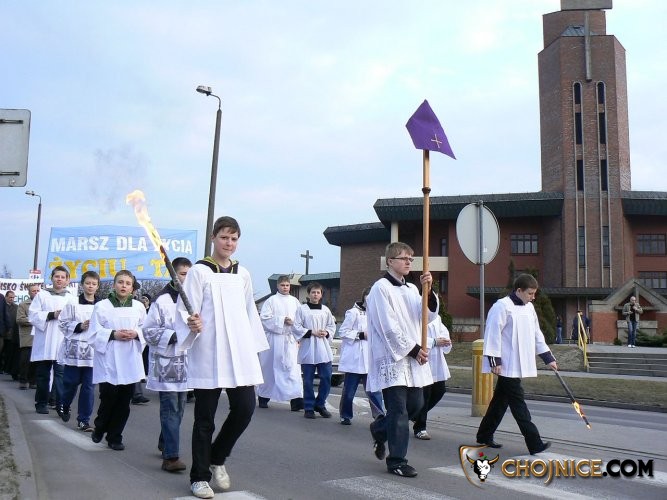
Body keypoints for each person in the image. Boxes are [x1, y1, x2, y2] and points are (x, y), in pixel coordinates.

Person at [173, 216, 268, 499]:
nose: (229, 243)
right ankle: (199, 478)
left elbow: (249, 312)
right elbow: (186, 310)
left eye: (234, 238)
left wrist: (253, 349)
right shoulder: (199, 272)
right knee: (205, 418)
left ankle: (217, 456)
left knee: (245, 408)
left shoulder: (243, 274)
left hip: (239, 351)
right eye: (224, 237)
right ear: (213, 237)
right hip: (209, 352)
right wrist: (190, 322)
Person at [366, 242, 438, 478]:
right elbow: (387, 326)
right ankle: (397, 461)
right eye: (403, 258)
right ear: (390, 261)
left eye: (411, 258)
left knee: (415, 406)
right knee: (398, 411)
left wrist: (428, 292)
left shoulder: (411, 289)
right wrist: (413, 349)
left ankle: (379, 429)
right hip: (393, 358)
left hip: (412, 358)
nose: (408, 262)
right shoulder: (380, 289)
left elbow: (425, 317)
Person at [476, 273, 557, 455]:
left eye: (534, 293)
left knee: (500, 402)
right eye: (530, 293)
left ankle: (484, 435)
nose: (533, 297)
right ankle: (534, 443)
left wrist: (548, 358)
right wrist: (495, 360)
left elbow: (537, 334)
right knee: (518, 404)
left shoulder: (529, 308)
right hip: (505, 365)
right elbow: (492, 334)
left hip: (518, 365)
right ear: (519, 290)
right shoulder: (502, 306)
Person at [89, 270, 147, 451]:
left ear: (132, 287)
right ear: (114, 285)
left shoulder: (138, 307)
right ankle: (100, 426)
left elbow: (146, 329)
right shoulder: (102, 306)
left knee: (124, 401)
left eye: (128, 283)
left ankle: (115, 436)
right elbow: (93, 333)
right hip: (109, 358)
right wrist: (113, 334)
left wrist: (136, 333)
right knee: (108, 397)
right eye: (120, 282)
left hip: (129, 358)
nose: (124, 286)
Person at [144, 257, 192, 473]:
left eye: (189, 274)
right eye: (182, 274)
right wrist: (175, 335)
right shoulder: (161, 301)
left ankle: (165, 441)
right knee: (171, 408)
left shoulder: (195, 298)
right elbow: (149, 331)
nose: (186, 279)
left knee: (180, 408)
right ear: (173, 275)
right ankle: (171, 457)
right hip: (167, 362)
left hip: (188, 362)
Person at [57, 270, 101, 430]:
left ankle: (84, 419)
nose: (90, 286)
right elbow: (62, 323)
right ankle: (64, 404)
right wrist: (79, 326)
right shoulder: (73, 303)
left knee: (89, 387)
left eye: (94, 284)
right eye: (88, 283)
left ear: (97, 286)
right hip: (75, 352)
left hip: (93, 353)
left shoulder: (101, 305)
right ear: (82, 285)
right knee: (71, 383)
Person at [29, 266, 75, 414]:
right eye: (57, 276)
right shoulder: (42, 295)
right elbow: (33, 315)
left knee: (60, 375)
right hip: (46, 340)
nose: (59, 279)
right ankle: (41, 403)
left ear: (67, 280)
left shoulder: (71, 298)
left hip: (62, 341)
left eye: (62, 277)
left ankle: (59, 403)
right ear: (52, 278)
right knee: (43, 375)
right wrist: (51, 315)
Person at [337, 288, 384, 426]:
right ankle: (345, 415)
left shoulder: (377, 314)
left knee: (374, 390)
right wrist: (361, 335)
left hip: (370, 359)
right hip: (355, 359)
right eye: (369, 296)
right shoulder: (353, 312)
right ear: (364, 297)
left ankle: (380, 416)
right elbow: (343, 332)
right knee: (349, 391)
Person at [257, 275, 304, 411]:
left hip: (290, 340)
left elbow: (301, 319)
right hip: (274, 340)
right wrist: (282, 320)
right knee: (269, 369)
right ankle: (264, 397)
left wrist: (298, 332)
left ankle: (296, 400)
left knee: (293, 370)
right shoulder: (271, 301)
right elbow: (264, 319)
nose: (285, 287)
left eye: (287, 285)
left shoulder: (295, 301)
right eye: (282, 285)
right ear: (278, 286)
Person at [292, 282, 336, 420]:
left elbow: (331, 326)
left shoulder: (326, 310)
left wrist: (326, 332)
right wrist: (311, 332)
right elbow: (296, 327)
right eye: (313, 292)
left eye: (318, 292)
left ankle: (320, 404)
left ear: (321, 295)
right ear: (309, 294)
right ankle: (309, 407)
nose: (315, 295)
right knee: (308, 380)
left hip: (323, 348)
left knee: (326, 377)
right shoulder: (302, 309)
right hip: (308, 347)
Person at [413, 315, 451, 440]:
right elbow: (414, 336)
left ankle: (416, 415)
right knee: (425, 394)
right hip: (423, 359)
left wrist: (445, 340)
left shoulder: (437, 317)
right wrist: (434, 342)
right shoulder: (417, 315)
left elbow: (443, 332)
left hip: (437, 361)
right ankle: (420, 428)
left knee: (440, 390)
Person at [17, 284, 40, 390]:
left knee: (36, 361)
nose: (36, 293)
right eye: (34, 291)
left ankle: (33, 381)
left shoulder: (43, 304)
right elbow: (20, 319)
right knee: (25, 361)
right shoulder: (23, 305)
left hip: (39, 336)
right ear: (29, 293)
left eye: (37, 291)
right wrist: (34, 320)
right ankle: (23, 381)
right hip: (27, 337)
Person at [132, 291, 151, 405]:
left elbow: (145, 325)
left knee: (135, 366)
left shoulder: (138, 306)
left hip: (134, 341)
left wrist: (137, 334)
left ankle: (137, 394)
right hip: (117, 341)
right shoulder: (105, 305)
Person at [2, 291, 20, 380]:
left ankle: (6, 368)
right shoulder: (2, 306)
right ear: (6, 297)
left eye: (13, 297)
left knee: (9, 353)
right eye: (10, 297)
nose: (12, 299)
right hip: (2, 333)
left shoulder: (17, 307)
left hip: (12, 334)